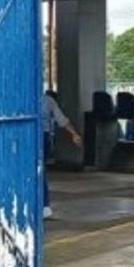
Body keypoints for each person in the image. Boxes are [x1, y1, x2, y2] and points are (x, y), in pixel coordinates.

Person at [43, 90, 81, 220]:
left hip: (28, 136)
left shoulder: (22, 98)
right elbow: (62, 120)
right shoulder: (48, 100)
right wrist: (74, 134)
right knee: (40, 171)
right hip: (43, 138)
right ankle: (44, 206)